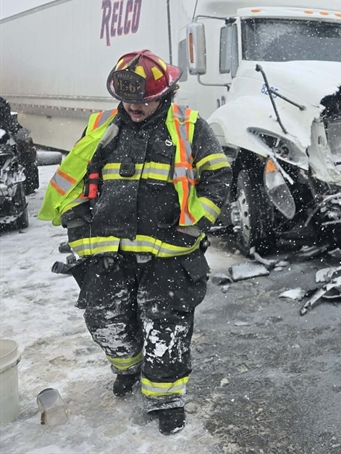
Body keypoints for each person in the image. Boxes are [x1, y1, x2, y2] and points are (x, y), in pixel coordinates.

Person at [39, 50, 232, 435]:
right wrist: (77, 221)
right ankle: (129, 367)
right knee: (104, 320)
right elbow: (74, 179)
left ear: (166, 93)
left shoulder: (190, 127)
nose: (134, 107)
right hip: (107, 252)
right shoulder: (101, 126)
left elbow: (219, 180)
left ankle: (165, 398)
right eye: (128, 100)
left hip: (169, 255)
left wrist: (194, 228)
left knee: (166, 328)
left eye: (143, 100)